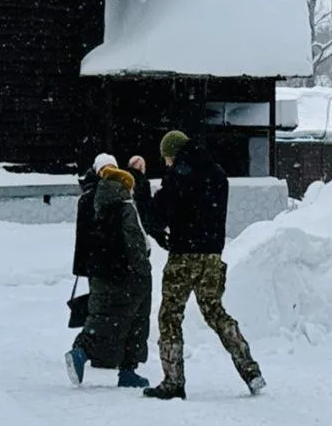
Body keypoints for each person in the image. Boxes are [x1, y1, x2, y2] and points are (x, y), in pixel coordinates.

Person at [145, 130, 264, 400]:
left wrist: (149, 200)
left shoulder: (179, 175)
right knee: (216, 312)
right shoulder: (217, 173)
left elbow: (159, 214)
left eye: (166, 159)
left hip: (184, 255)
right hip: (212, 256)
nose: (166, 164)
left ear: (173, 155)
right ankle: (251, 370)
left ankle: (173, 381)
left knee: (170, 315)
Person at [66, 158, 154, 390]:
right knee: (136, 321)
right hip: (128, 275)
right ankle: (128, 370)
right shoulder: (125, 205)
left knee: (104, 319)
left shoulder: (95, 201)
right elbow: (135, 241)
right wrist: (144, 270)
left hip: (102, 271)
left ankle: (82, 350)